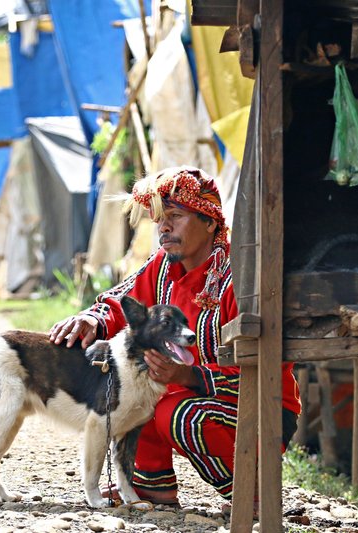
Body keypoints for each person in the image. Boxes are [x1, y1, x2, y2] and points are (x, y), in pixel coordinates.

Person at [49, 166, 301, 506]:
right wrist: (91, 320)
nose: (163, 227)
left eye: (176, 216)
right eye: (160, 219)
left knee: (176, 412)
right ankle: (153, 485)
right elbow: (124, 301)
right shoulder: (163, 267)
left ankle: (252, 495)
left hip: (262, 408)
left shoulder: (242, 281)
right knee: (137, 391)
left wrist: (189, 374)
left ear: (210, 221)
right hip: (184, 397)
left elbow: (264, 371)